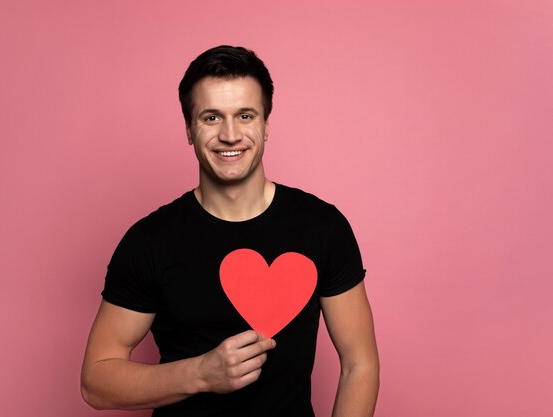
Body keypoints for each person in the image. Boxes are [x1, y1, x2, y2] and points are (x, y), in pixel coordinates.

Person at [81, 45, 379, 417]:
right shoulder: (149, 241)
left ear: (266, 125)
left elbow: (358, 364)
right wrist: (201, 374)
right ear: (189, 129)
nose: (230, 134)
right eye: (211, 118)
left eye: (245, 115)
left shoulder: (323, 227)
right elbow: (96, 380)